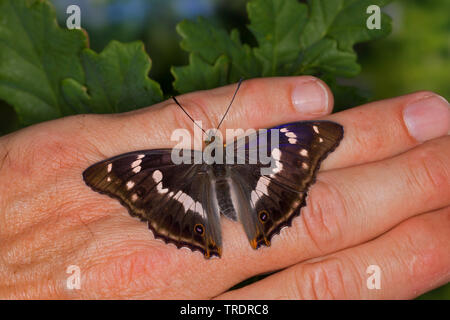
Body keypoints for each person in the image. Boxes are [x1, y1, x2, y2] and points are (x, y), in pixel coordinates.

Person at [0, 76, 448, 299]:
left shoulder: (167, 163)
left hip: (197, 196)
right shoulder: (252, 150)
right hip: (234, 191)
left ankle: (219, 231)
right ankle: (243, 226)